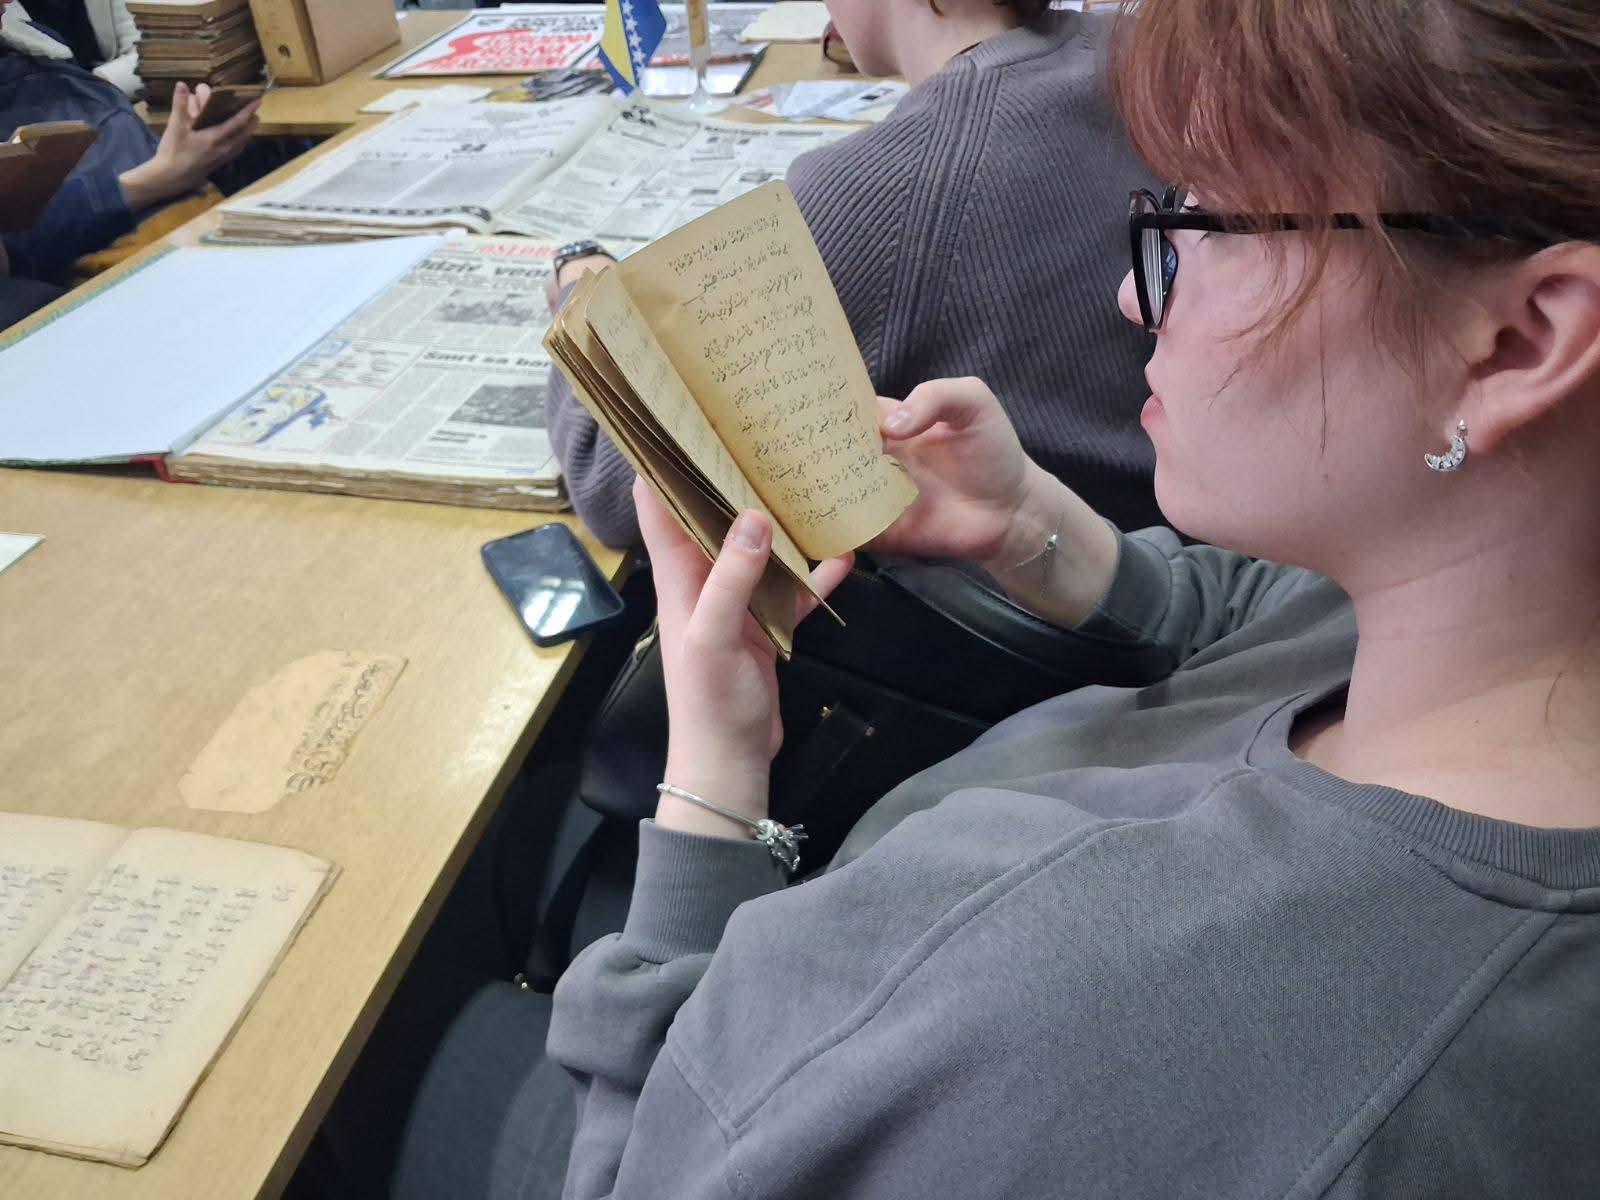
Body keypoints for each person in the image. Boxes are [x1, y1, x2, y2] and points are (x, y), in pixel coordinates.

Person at [534, 0, 1600, 1195]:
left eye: (1212, 225)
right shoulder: (1479, 636)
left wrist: (712, 783)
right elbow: (1269, 622)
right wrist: (1034, 530)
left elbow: (645, 1168)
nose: (1135, 301)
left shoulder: (1051, 1001)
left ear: (1521, 339)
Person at [545, 0, 1161, 548]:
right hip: (1152, 562)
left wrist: (581, 285)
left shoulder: (886, 189)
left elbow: (615, 485)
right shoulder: (1138, 48)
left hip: (1025, 596)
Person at [0, 0, 258, 285]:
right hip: (130, 267)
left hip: (198, 225)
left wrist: (180, 152)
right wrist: (159, 177)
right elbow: (17, 240)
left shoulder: (31, 43)